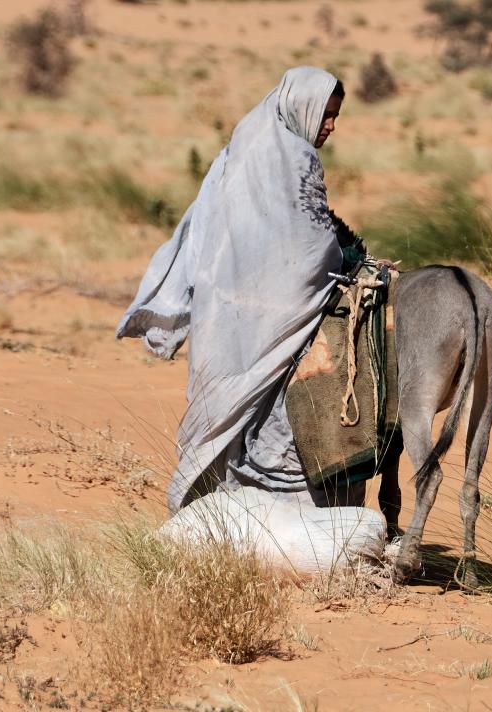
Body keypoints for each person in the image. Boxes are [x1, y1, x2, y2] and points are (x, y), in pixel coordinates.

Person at [117, 66, 365, 513]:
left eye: (335, 118)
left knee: (222, 401)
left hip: (224, 309)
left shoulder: (244, 143)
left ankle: (211, 506)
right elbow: (307, 249)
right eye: (326, 116)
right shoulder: (297, 157)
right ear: (302, 109)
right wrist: (347, 261)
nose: (330, 127)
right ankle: (278, 505)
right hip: (271, 312)